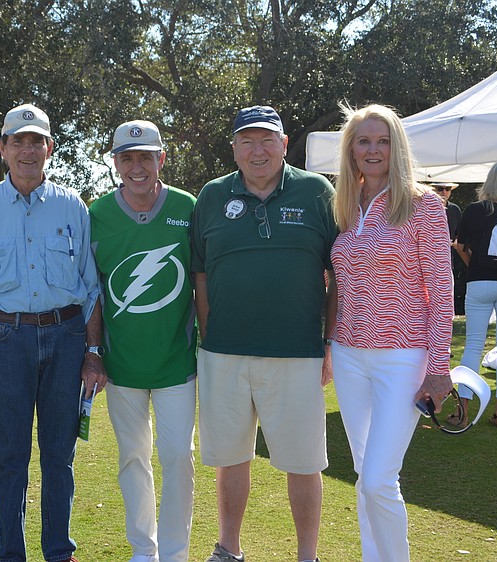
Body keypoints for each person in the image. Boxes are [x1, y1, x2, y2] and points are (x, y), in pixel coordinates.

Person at [0, 103, 104, 562]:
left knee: (59, 455)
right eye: (17, 141)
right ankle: (9, 553)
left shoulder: (72, 206)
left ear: (50, 148)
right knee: (9, 457)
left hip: (66, 339)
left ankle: (58, 552)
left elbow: (91, 287)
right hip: (4, 344)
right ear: (3, 149)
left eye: (36, 141)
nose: (27, 150)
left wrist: (93, 350)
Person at [191, 105, 337, 562]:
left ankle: (306, 556)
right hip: (224, 354)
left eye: (266, 139)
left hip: (297, 353)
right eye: (247, 141)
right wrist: (210, 334)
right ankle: (228, 548)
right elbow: (199, 274)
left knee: (304, 462)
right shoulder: (212, 197)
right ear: (233, 147)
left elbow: (340, 274)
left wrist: (330, 343)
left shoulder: (317, 192)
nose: (257, 150)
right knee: (231, 457)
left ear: (285, 144)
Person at [329, 104, 454, 561]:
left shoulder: (423, 204)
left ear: (396, 146)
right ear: (352, 149)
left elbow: (442, 290)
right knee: (366, 475)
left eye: (382, 140)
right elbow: (337, 287)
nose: (373, 149)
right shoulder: (345, 205)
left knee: (380, 477)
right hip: (348, 355)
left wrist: (439, 369)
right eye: (364, 141)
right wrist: (328, 347)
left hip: (404, 356)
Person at [89, 120, 197, 562]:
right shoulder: (95, 214)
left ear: (161, 160)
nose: (137, 167)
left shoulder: (189, 207)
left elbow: (204, 281)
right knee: (133, 459)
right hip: (121, 365)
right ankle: (143, 550)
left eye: (146, 157)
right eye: (127, 157)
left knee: (177, 458)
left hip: (177, 362)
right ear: (115, 162)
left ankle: (174, 553)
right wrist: (94, 353)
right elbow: (93, 291)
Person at [452, 161, 497, 429]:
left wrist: (477, 267)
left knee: (472, 345)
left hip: (480, 282)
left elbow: (460, 246)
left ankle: (463, 410)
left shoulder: (475, 210)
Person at [432, 182, 468, 314]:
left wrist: (453, 243)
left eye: (447, 189)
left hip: (447, 260)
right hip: (428, 258)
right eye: (440, 189)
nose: (444, 192)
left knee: (446, 292)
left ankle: (445, 316)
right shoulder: (425, 208)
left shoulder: (454, 210)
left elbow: (460, 236)